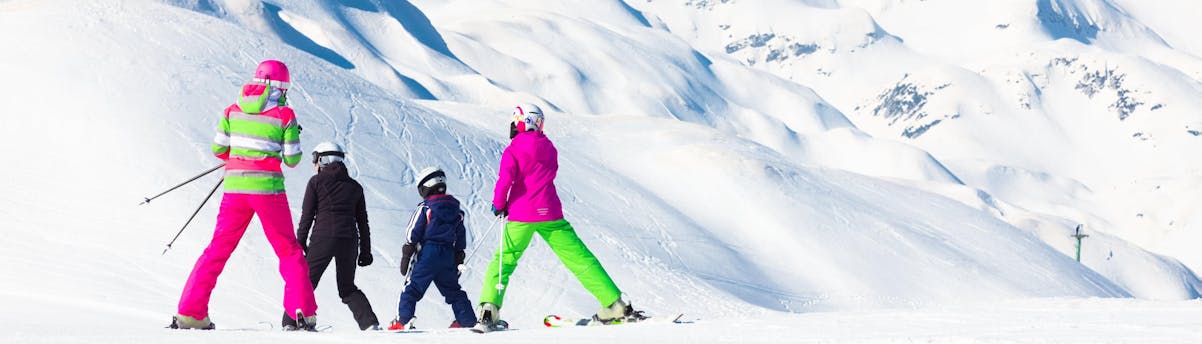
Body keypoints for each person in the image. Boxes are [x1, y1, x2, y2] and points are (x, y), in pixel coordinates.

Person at [171, 60, 318, 331]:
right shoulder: (284, 114)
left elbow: (219, 150)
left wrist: (242, 155)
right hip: (268, 190)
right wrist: (290, 135)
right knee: (288, 250)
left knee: (218, 248)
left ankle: (190, 313)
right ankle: (302, 312)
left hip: (235, 189)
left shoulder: (232, 110)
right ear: (281, 87)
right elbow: (292, 159)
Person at [473, 103, 644, 333]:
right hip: (550, 213)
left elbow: (505, 180)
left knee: (504, 261)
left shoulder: (513, 150)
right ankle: (615, 304)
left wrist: (499, 205)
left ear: (522, 123)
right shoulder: (549, 148)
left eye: (515, 122)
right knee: (578, 257)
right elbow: (548, 172)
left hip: (521, 215)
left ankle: (488, 311)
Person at [282, 142, 381, 331]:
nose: (313, 163)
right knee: (347, 287)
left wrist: (300, 242)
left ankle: (290, 323)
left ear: (323, 159)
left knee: (305, 282)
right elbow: (363, 222)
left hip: (323, 238)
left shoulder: (316, 182)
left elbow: (307, 216)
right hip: (349, 240)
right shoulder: (355, 187)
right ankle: (370, 324)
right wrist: (365, 251)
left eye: (315, 158)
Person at [388, 167, 479, 330]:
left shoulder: (425, 208)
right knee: (453, 289)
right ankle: (467, 320)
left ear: (426, 187)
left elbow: (413, 231)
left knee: (412, 288)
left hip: (428, 254)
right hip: (448, 255)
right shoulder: (457, 211)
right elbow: (461, 235)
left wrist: (407, 252)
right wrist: (458, 256)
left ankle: (403, 320)